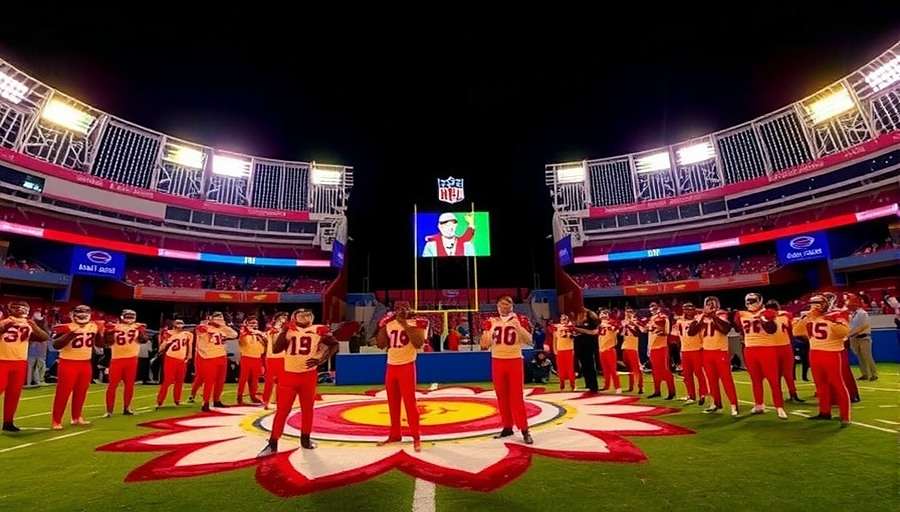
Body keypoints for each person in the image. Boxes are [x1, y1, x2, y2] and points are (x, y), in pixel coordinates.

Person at [257, 308, 338, 456]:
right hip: (289, 375)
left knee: (307, 409)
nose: (305, 316)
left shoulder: (318, 329)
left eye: (307, 314)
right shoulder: (290, 330)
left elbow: (335, 344)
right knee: (282, 410)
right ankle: (273, 443)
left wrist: (322, 359)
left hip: (308, 375)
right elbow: (276, 349)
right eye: (301, 314)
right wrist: (284, 330)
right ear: (295, 317)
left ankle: (305, 439)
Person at [480, 296, 534, 444]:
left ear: (512, 306)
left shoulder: (520, 319)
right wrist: (487, 332)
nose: (504, 307)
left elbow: (530, 340)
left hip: (514, 360)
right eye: (502, 305)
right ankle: (507, 426)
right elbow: (484, 345)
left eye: (507, 305)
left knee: (517, 397)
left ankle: (524, 430)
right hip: (497, 360)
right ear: (498, 307)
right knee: (501, 396)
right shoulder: (492, 321)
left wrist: (518, 327)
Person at [375, 305, 428, 451]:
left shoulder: (417, 323)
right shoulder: (390, 323)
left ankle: (416, 436)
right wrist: (382, 325)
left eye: (405, 307)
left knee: (410, 403)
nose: (402, 310)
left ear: (410, 309)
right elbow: (380, 344)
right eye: (399, 308)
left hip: (407, 365)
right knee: (393, 403)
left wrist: (405, 324)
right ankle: (395, 434)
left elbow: (418, 343)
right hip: (391, 366)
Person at [793, 295, 852, 426]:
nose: (813, 307)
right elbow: (796, 332)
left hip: (831, 353)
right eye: (812, 304)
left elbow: (844, 332)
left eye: (816, 304)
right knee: (820, 385)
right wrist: (805, 318)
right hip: (814, 353)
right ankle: (824, 412)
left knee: (838, 384)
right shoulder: (809, 317)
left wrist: (829, 320)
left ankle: (845, 416)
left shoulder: (836, 315)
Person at [735, 293, 788, 419]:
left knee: (773, 380)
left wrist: (763, 319)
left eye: (753, 300)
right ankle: (759, 404)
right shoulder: (741, 314)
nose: (750, 303)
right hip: (749, 349)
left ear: (760, 301)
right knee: (755, 379)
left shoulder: (767, 312)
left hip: (766, 348)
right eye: (748, 300)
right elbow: (741, 330)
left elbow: (772, 329)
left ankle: (779, 407)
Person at [51, 305, 103, 430]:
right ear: (73, 314)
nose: (82, 314)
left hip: (85, 363)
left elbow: (100, 344)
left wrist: (100, 332)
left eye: (85, 312)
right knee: (63, 393)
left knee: (81, 392)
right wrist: (71, 334)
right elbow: (56, 345)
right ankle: (56, 420)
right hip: (68, 362)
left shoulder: (94, 326)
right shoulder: (66, 327)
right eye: (79, 312)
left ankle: (76, 417)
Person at [1, 300, 49, 432]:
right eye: (16, 307)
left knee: (14, 394)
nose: (19, 310)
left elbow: (44, 337)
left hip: (20, 362)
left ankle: (8, 422)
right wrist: (4, 326)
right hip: (2, 360)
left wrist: (35, 326)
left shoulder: (28, 324)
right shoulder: (4, 321)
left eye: (22, 307)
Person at [692, 296, 739, 417]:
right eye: (708, 304)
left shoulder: (721, 314)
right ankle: (715, 404)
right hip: (706, 351)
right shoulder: (700, 316)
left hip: (720, 351)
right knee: (711, 381)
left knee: (726, 380)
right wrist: (702, 317)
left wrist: (712, 316)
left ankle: (734, 405)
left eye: (712, 304)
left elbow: (725, 330)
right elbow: (691, 332)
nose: (710, 306)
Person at [104, 309, 149, 417]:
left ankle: (127, 408)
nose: (129, 318)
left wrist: (142, 331)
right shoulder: (115, 326)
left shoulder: (138, 327)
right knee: (112, 385)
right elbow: (107, 342)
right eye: (127, 316)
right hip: (117, 359)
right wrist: (109, 332)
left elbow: (144, 340)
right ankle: (109, 410)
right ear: (122, 316)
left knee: (129, 385)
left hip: (132, 359)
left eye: (131, 316)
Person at [195, 312, 238, 412]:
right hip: (209, 357)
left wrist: (223, 326)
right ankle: (205, 403)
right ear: (212, 318)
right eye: (217, 318)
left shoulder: (223, 329)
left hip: (221, 356)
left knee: (220, 380)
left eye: (221, 318)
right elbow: (201, 329)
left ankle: (217, 400)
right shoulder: (204, 326)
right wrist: (210, 324)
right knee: (209, 381)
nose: (220, 320)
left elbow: (234, 334)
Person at [768, 299, 804, 402]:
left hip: (772, 347)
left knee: (776, 375)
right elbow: (791, 331)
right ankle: (793, 395)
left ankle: (778, 395)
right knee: (788, 374)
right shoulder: (786, 315)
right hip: (786, 346)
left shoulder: (765, 316)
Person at [672, 302, 707, 405]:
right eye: (686, 309)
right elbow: (676, 337)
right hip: (684, 350)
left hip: (697, 349)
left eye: (690, 309)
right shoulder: (679, 321)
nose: (687, 311)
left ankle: (703, 393)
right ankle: (691, 395)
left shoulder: (698, 320)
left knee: (699, 374)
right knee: (687, 375)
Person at [156, 319, 193, 407]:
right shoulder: (168, 333)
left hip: (182, 359)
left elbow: (189, 345)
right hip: (170, 358)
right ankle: (160, 400)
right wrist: (162, 346)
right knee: (168, 380)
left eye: (181, 324)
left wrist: (189, 355)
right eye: (178, 324)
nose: (180, 326)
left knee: (180, 380)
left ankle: (177, 399)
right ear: (174, 325)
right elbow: (162, 345)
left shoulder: (187, 334)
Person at [845, 293, 877, 381]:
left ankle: (874, 374)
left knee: (867, 356)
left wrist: (850, 334)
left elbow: (864, 326)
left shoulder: (862, 313)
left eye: (850, 306)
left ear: (855, 305)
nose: (849, 307)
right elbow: (851, 326)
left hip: (863, 337)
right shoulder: (852, 314)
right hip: (854, 338)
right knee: (859, 357)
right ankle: (865, 374)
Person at [646, 303, 675, 399]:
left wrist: (658, 329)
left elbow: (666, 332)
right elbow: (647, 333)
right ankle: (657, 391)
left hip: (661, 347)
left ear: (658, 308)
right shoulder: (651, 319)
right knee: (655, 371)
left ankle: (671, 391)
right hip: (652, 347)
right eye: (651, 308)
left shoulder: (663, 317)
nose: (653, 310)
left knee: (665, 369)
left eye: (655, 308)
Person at [237, 316, 266, 405]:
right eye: (252, 323)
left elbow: (266, 344)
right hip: (247, 357)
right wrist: (245, 331)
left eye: (255, 323)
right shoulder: (244, 334)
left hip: (257, 357)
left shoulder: (259, 334)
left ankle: (253, 396)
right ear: (247, 324)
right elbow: (242, 342)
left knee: (255, 379)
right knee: (243, 378)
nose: (254, 325)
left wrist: (260, 335)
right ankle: (239, 396)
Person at [261, 312, 288, 410]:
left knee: (282, 381)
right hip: (271, 357)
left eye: (285, 317)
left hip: (283, 357)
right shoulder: (270, 329)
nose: (284, 319)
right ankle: (266, 401)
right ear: (277, 318)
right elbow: (273, 343)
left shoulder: (287, 329)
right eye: (282, 317)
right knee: (269, 381)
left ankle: (279, 400)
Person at [572, 307, 599, 394]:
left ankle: (594, 386)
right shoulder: (579, 322)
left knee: (590, 366)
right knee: (584, 367)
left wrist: (578, 329)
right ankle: (588, 385)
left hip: (588, 346)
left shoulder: (592, 321)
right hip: (580, 347)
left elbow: (593, 332)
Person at [597, 309, 621, 393]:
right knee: (605, 370)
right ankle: (606, 386)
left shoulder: (612, 322)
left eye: (604, 313)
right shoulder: (599, 325)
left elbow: (616, 328)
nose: (602, 315)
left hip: (609, 349)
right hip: (601, 349)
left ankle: (618, 387)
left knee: (613, 369)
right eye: (601, 313)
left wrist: (607, 324)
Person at [621, 306, 644, 394]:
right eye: (627, 312)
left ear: (633, 313)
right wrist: (624, 326)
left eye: (630, 311)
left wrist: (631, 324)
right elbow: (622, 334)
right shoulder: (623, 322)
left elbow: (639, 332)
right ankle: (631, 386)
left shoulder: (636, 321)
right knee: (629, 368)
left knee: (637, 368)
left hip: (633, 347)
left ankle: (640, 387)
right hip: (625, 346)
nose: (628, 313)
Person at [551, 314, 576, 391]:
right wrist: (555, 349)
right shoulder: (556, 328)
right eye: (562, 319)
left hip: (569, 349)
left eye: (565, 319)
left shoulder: (571, 328)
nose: (563, 321)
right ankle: (562, 385)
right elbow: (554, 340)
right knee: (560, 368)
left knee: (570, 368)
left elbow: (573, 338)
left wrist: (570, 330)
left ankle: (572, 385)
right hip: (560, 350)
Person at [25, 309, 49, 387]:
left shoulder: (42, 321)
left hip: (39, 344)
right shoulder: (32, 322)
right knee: (33, 364)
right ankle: (32, 381)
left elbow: (46, 333)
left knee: (38, 363)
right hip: (35, 344)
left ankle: (36, 381)